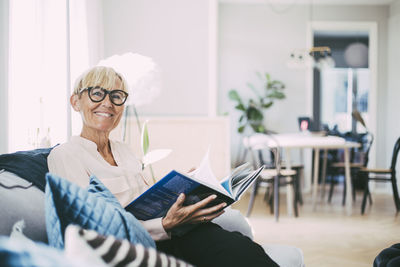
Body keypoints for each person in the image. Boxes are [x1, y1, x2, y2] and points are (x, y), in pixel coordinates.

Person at [48, 66, 278, 267]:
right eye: (97, 93)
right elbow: (90, 228)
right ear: (75, 102)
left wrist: (183, 190)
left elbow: (143, 199)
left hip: (176, 232)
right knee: (234, 252)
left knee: (241, 248)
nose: (107, 103)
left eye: (116, 96)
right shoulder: (65, 155)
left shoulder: (123, 151)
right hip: (143, 247)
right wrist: (165, 224)